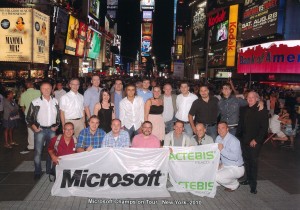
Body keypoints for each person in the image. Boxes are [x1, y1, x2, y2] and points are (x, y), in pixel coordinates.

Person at [26, 82, 60, 179]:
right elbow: (28, 118)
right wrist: (34, 127)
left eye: (48, 88)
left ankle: (50, 170)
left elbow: (58, 116)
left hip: (52, 130)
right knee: (38, 152)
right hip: (40, 130)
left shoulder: (55, 101)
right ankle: (37, 171)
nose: (46, 90)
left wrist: (57, 125)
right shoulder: (35, 102)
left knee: (52, 151)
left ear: (51, 89)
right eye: (44, 88)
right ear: (40, 90)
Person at [237, 91, 269, 194]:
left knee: (253, 162)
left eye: (252, 97)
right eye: (248, 97)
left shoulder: (261, 109)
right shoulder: (243, 109)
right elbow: (241, 124)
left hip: (254, 142)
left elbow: (264, 128)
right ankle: (248, 179)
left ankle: (253, 185)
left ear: (257, 99)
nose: (250, 99)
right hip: (244, 140)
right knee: (247, 161)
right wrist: (239, 137)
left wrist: (256, 140)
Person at [216, 122, 244, 192]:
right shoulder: (218, 138)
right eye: (219, 128)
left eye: (223, 128)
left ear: (227, 129)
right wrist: (218, 163)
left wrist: (222, 150)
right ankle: (224, 180)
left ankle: (234, 184)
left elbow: (235, 158)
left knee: (217, 177)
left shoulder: (234, 141)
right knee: (210, 173)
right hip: (224, 165)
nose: (220, 130)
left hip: (236, 167)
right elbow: (217, 154)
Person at [20, 79, 41, 153]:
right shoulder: (38, 92)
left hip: (28, 115)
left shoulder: (23, 94)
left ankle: (31, 145)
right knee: (39, 129)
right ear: (32, 84)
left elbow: (22, 106)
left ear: (26, 86)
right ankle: (41, 143)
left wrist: (25, 113)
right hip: (38, 114)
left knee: (30, 131)